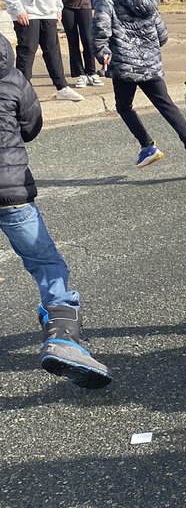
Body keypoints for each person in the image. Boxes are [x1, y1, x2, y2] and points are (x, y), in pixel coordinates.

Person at [0, 33, 111, 387]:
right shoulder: (14, 79)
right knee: (46, 263)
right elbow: (31, 126)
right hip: (12, 190)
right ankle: (62, 334)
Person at [92, 0, 186, 177]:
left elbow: (101, 27)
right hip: (150, 62)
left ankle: (147, 146)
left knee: (124, 106)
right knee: (166, 105)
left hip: (125, 64)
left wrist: (102, 52)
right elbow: (162, 33)